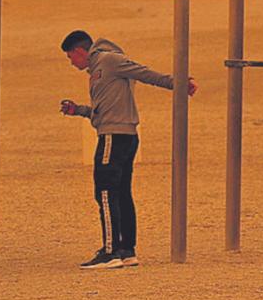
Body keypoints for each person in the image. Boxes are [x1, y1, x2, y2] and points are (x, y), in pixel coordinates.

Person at [59, 29, 197, 270]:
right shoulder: (98, 71)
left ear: (80, 51)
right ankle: (126, 250)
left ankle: (111, 251)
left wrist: (178, 83)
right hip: (118, 134)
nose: (71, 63)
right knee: (120, 192)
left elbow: (145, 73)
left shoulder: (109, 60)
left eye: (71, 57)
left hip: (115, 136)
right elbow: (102, 112)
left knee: (105, 191)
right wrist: (78, 110)